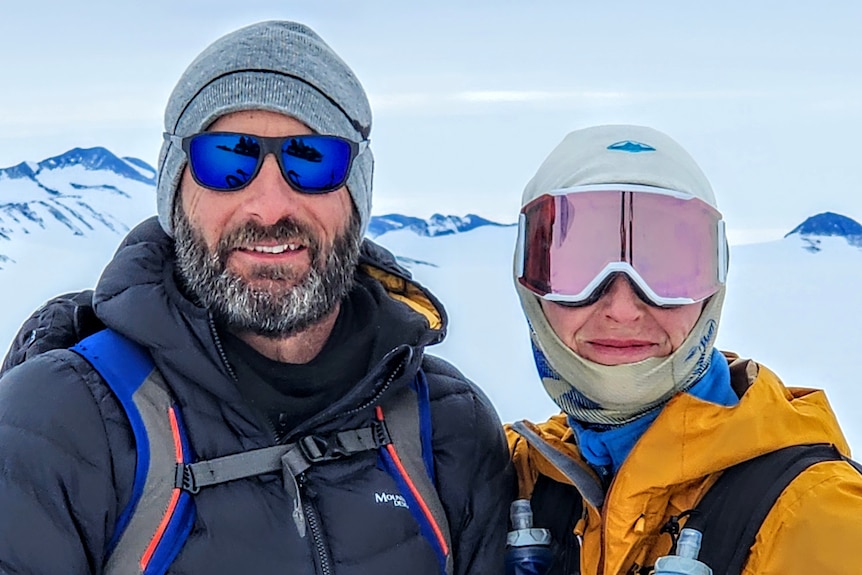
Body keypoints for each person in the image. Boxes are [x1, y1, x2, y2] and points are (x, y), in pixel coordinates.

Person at [0, 20, 510, 574]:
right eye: (228, 161)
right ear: (177, 194)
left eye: (311, 161)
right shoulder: (58, 424)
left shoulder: (447, 430)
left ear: (357, 196)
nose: (269, 208)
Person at [506, 124, 862, 574]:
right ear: (529, 284)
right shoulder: (508, 475)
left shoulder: (821, 519)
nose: (622, 308)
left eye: (665, 270)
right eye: (576, 266)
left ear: (712, 289)